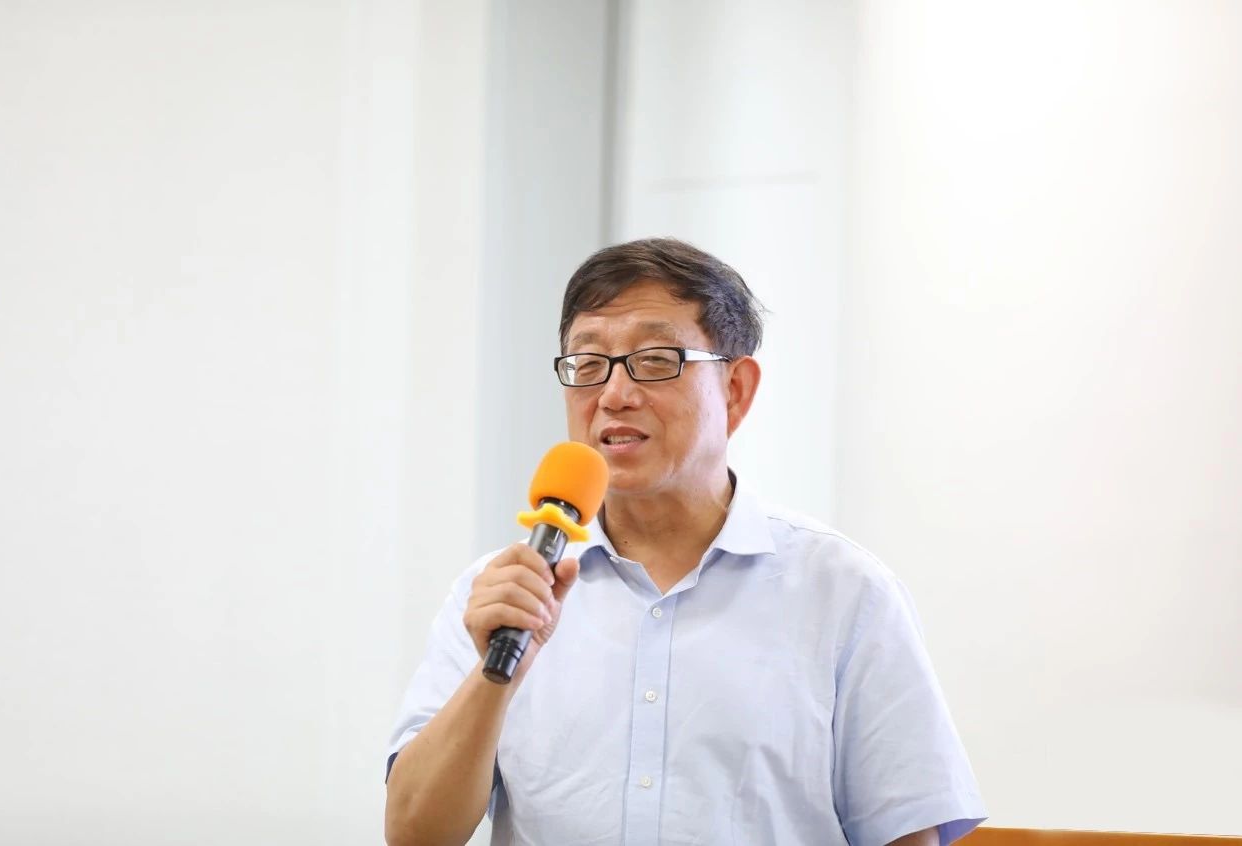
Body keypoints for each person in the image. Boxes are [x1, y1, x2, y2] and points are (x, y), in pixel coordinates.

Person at [384, 238, 987, 846]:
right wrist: (497, 676)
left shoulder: (845, 593)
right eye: (587, 365)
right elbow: (414, 834)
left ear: (735, 389)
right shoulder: (501, 595)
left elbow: (906, 834)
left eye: (654, 360)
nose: (614, 395)